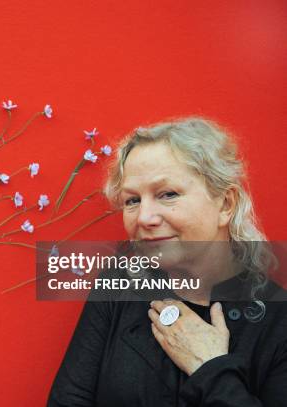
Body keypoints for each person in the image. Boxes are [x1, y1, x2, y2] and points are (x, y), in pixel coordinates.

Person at [47, 117, 287, 406]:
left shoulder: (278, 322)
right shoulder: (119, 284)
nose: (144, 218)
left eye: (168, 194)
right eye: (132, 200)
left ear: (226, 204)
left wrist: (211, 369)